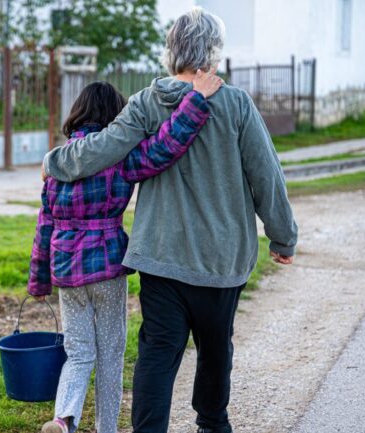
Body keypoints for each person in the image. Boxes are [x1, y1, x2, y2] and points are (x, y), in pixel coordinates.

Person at [41, 7, 298, 433]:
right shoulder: (235, 104)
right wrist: (282, 237)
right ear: (214, 54)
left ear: (171, 52)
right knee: (216, 348)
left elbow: (101, 149)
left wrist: (55, 161)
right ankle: (212, 424)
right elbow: (265, 174)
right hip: (221, 260)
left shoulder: (146, 102)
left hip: (160, 256)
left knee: (158, 353)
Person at [27, 74, 223, 433]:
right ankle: (106, 429)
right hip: (107, 266)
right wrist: (195, 101)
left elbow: (45, 226)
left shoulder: (57, 164)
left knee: (79, 351)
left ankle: (64, 418)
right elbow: (166, 146)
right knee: (111, 355)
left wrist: (39, 282)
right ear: (116, 116)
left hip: (67, 271)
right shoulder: (120, 158)